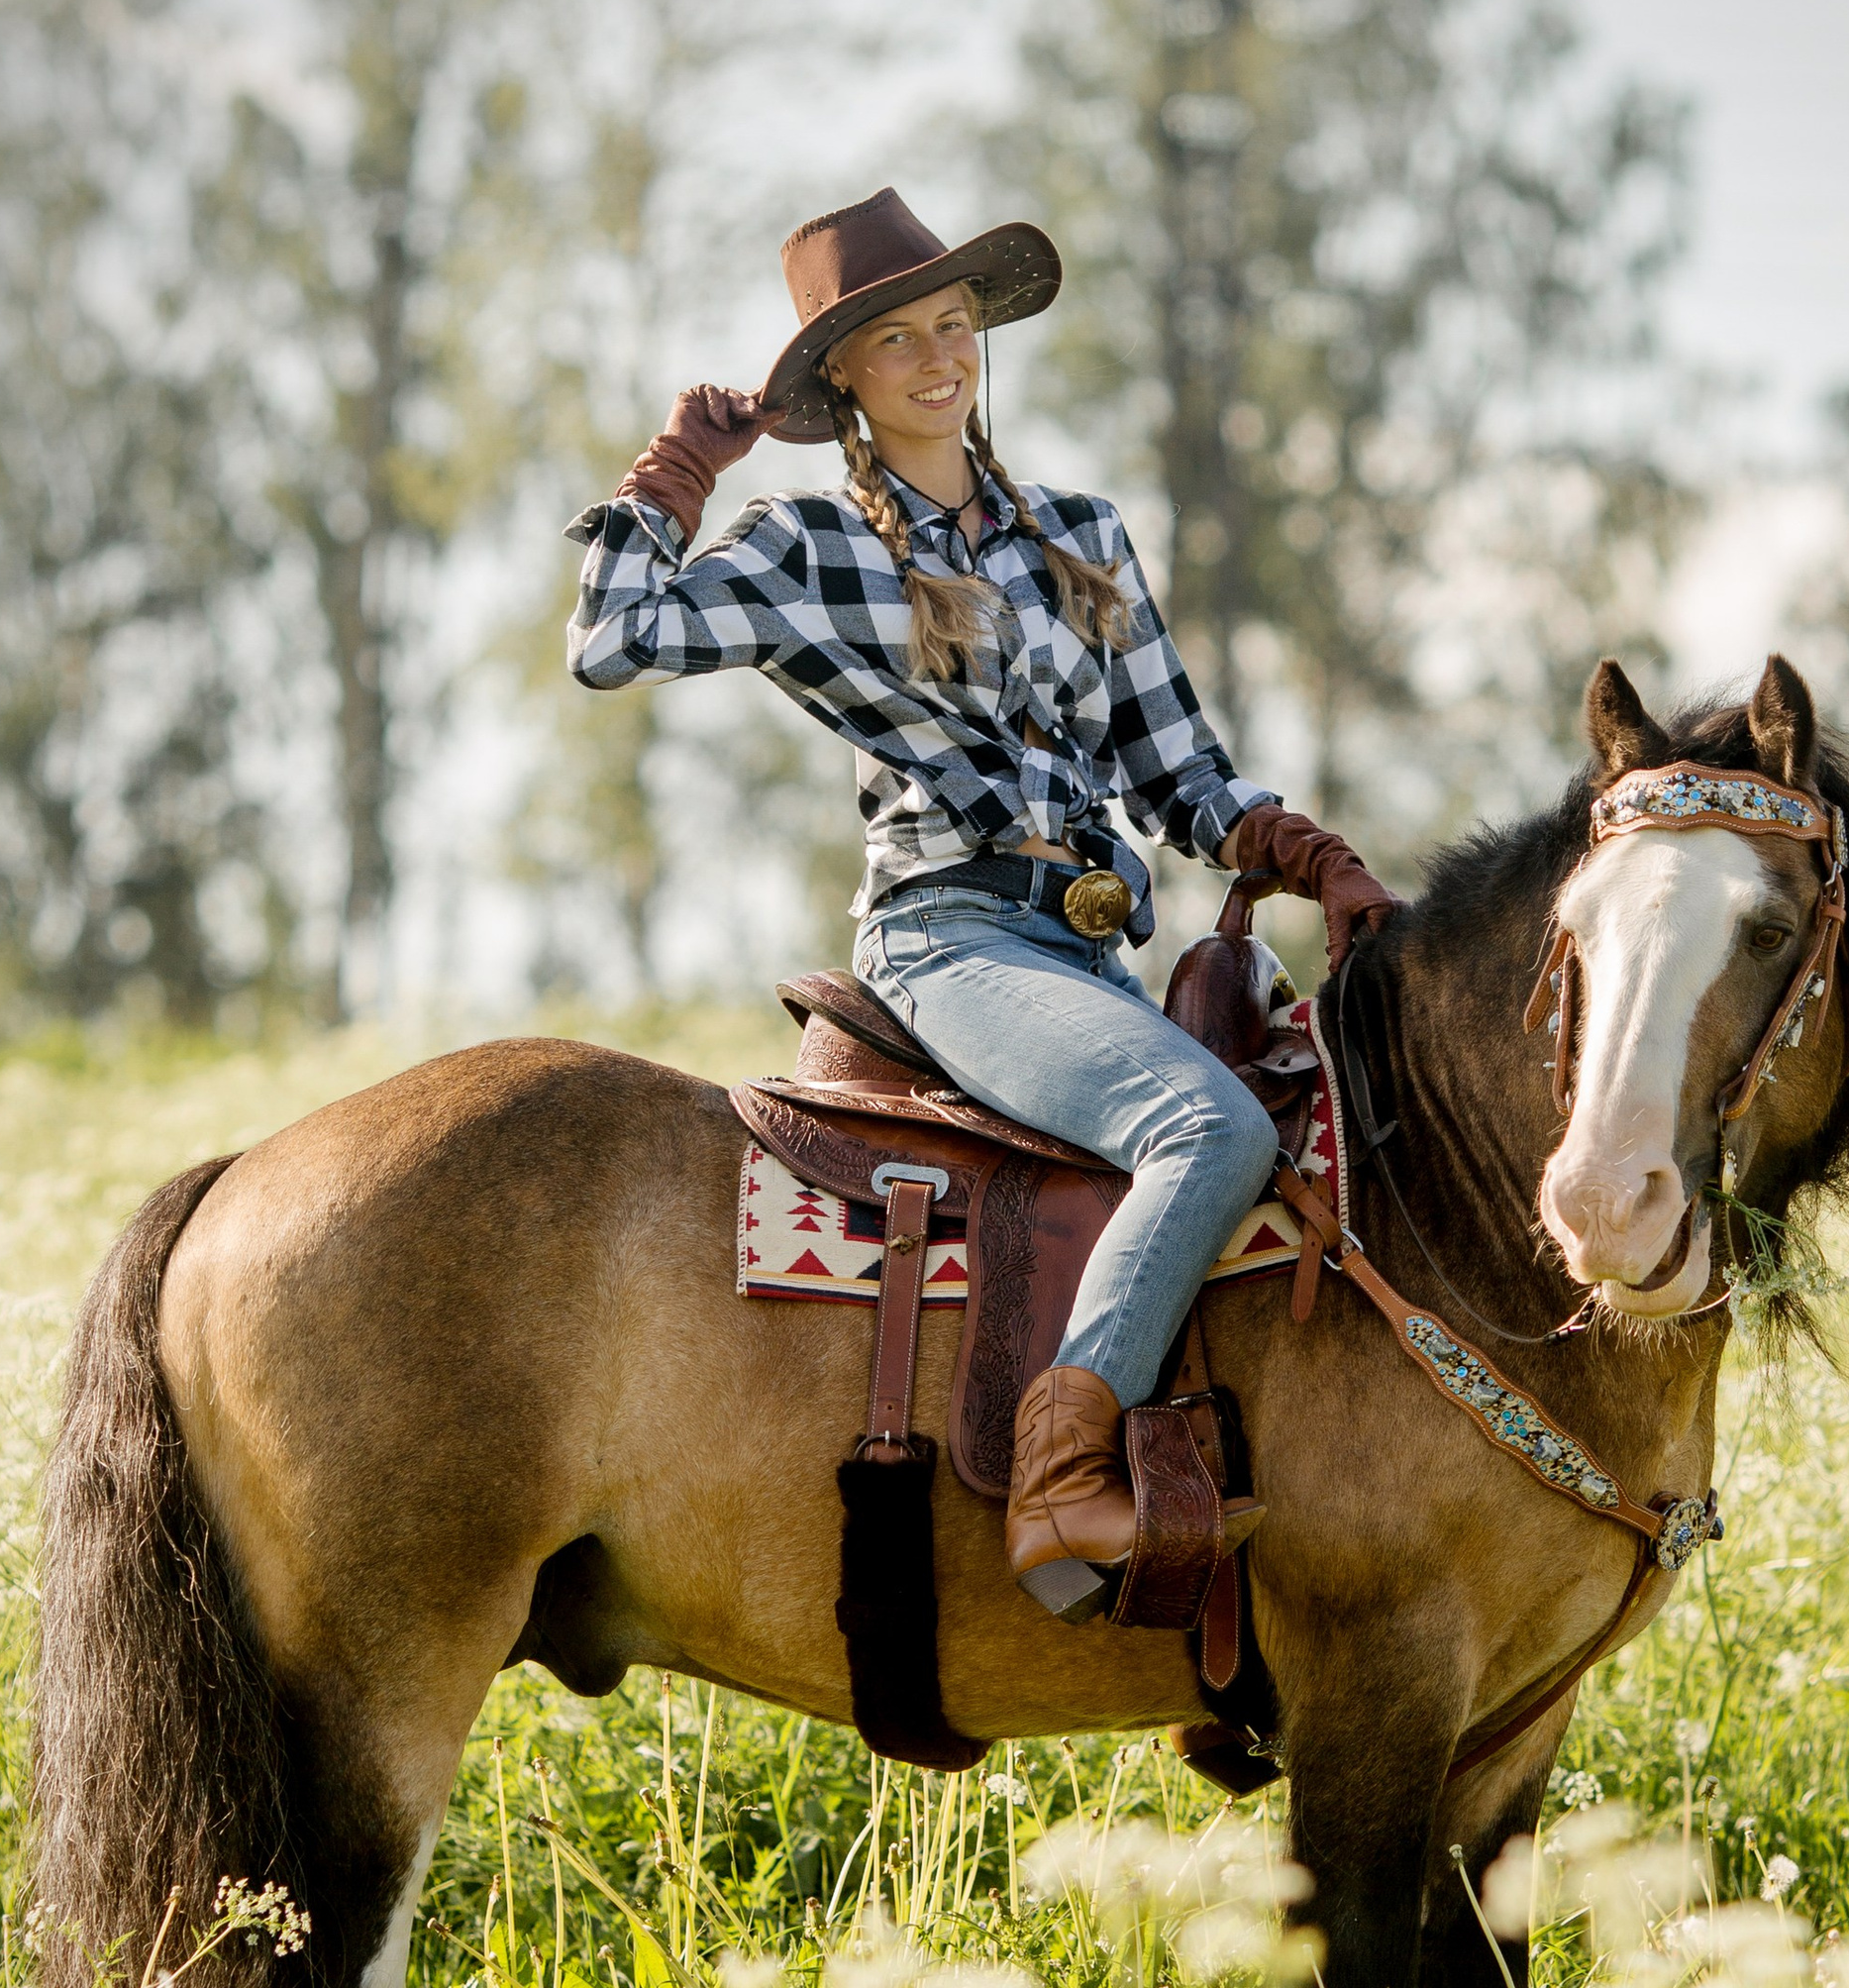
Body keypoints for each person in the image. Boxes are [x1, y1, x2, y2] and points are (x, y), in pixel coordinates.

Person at [565, 188, 1394, 1616]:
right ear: (845, 379)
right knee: (1206, 1123)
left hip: (1086, 951)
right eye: (899, 340)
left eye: (955, 326)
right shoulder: (804, 548)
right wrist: (673, 480)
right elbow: (611, 644)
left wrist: (1298, 849)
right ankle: (1062, 1481)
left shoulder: (1085, 535)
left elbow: (1178, 772)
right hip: (944, 936)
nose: (941, 358)